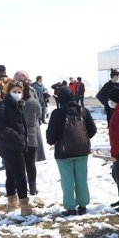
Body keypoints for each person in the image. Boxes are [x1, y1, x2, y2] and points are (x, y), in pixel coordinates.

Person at [46, 85, 97, 216]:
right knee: (81, 179)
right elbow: (93, 129)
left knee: (67, 181)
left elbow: (50, 138)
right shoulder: (83, 111)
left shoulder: (57, 113)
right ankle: (83, 205)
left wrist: (60, 141)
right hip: (82, 151)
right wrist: (81, 140)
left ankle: (70, 208)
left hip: (63, 153)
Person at [0, 81, 33, 216]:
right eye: (14, 91)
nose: (17, 94)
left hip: (15, 145)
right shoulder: (3, 106)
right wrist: (17, 137)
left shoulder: (18, 105)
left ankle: (11, 204)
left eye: (19, 91)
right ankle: (25, 207)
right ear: (8, 91)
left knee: (11, 175)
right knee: (21, 176)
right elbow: (0, 127)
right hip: (9, 146)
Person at [14, 71, 45, 195]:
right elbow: (39, 112)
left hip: (23, 132)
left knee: (23, 163)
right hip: (29, 133)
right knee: (29, 162)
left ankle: (23, 187)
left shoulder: (17, 101)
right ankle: (31, 187)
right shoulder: (30, 100)